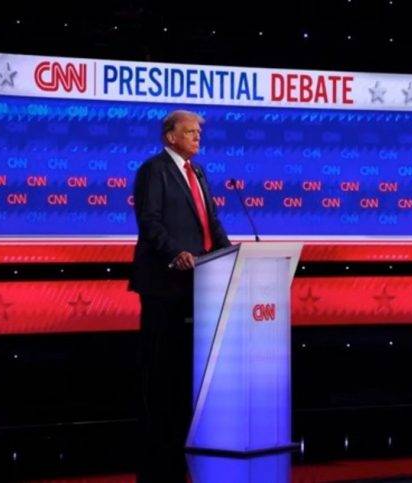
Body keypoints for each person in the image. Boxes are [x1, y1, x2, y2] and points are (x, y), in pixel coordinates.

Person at [129, 109, 231, 447]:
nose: (197, 137)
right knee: (161, 361)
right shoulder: (153, 170)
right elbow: (150, 221)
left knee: (187, 361)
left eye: (198, 133)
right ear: (171, 136)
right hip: (164, 281)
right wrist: (175, 253)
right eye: (190, 132)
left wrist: (231, 254)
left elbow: (210, 223)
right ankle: (156, 431)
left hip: (199, 280)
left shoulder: (198, 172)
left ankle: (185, 426)